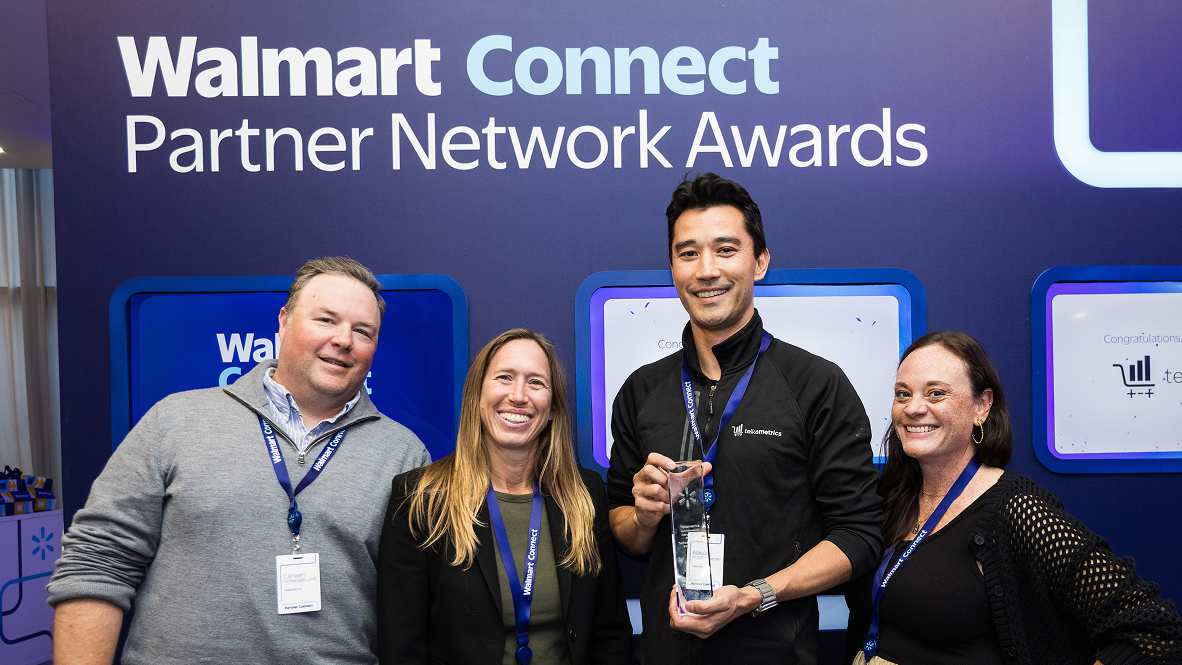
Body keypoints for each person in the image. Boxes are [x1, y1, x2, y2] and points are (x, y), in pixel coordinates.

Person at [48, 257, 431, 665]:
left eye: (363, 331)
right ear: (284, 321)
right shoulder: (175, 420)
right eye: (326, 320)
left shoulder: (404, 454)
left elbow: (412, 611)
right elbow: (98, 560)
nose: (343, 340)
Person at [607, 173, 883, 663]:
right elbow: (624, 531)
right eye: (688, 253)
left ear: (760, 262)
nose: (706, 270)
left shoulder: (816, 384)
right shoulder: (641, 390)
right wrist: (644, 518)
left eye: (726, 250)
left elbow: (858, 535)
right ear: (672, 267)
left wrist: (755, 595)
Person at [845, 331, 1182, 665]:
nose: (914, 408)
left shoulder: (1019, 509)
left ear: (981, 406)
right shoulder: (889, 496)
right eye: (903, 394)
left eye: (936, 393)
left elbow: (1153, 630)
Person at [377, 329, 632, 665]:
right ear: (477, 396)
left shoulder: (585, 495)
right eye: (504, 377)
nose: (518, 395)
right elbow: (401, 648)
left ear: (553, 408)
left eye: (536, 382)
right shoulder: (420, 499)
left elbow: (610, 634)